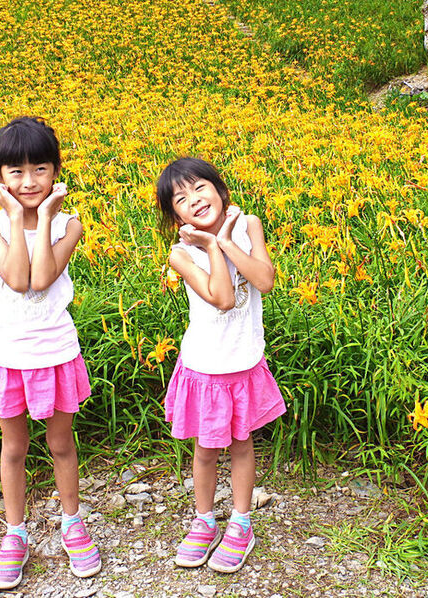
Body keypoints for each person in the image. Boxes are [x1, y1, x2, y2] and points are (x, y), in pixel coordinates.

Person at [0, 117, 100, 590]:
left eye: (40, 170)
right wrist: (13, 218)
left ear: (56, 173)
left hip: (55, 350)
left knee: (62, 444)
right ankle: (15, 534)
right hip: (7, 354)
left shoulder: (69, 224)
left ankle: (72, 523)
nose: (29, 182)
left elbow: (41, 279)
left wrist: (45, 218)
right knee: (14, 448)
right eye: (16, 172)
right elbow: (15, 277)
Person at [155, 157, 286, 574]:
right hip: (205, 367)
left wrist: (226, 241)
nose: (193, 200)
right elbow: (223, 298)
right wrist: (211, 246)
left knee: (242, 445)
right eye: (180, 198)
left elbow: (264, 280)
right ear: (174, 216)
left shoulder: (248, 225)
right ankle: (204, 520)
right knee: (206, 450)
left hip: (244, 363)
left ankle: (242, 523)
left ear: (220, 191)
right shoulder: (180, 254)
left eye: (199, 188)